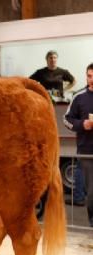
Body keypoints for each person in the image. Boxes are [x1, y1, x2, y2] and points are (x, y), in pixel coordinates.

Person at [63, 62, 93, 228]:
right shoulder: (79, 97)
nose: (91, 80)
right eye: (89, 76)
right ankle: (92, 222)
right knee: (92, 192)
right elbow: (66, 119)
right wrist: (82, 125)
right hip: (86, 151)